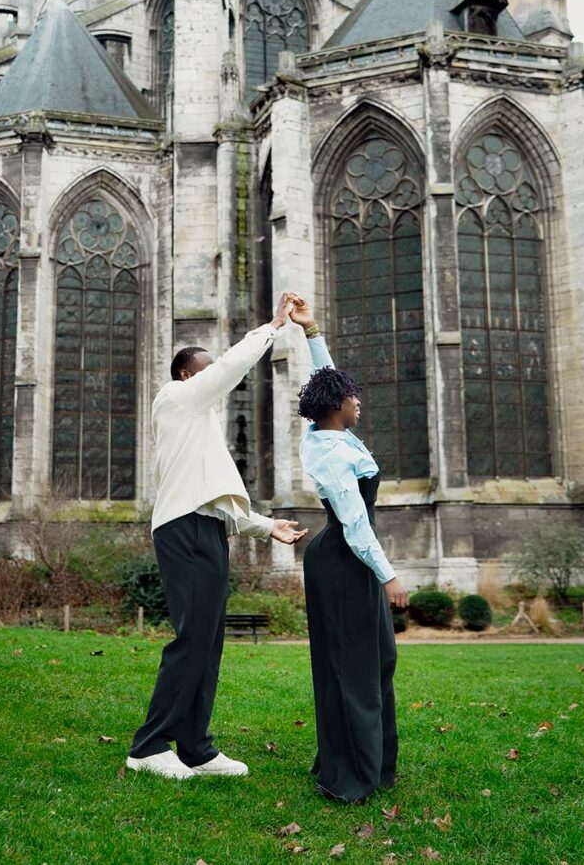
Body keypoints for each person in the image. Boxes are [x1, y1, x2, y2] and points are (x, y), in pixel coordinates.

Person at [127, 291, 307, 781]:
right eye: (205, 369)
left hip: (205, 529)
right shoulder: (175, 400)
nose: (215, 377)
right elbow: (230, 367)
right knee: (191, 640)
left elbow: (218, 498)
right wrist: (273, 327)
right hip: (181, 530)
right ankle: (147, 747)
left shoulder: (200, 425)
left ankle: (196, 748)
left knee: (208, 643)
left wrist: (268, 526)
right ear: (187, 374)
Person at [289, 297, 409, 804]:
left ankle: (374, 761)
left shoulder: (334, 429)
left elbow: (328, 378)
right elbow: (355, 523)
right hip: (342, 561)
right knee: (351, 664)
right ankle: (348, 773)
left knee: (377, 659)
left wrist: (311, 330)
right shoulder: (329, 451)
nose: (358, 401)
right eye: (352, 398)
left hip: (348, 559)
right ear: (336, 406)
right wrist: (389, 576)